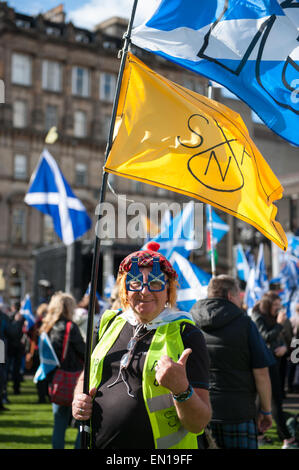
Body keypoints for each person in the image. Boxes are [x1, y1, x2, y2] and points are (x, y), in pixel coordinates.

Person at [72, 242, 211, 449]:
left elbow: (199, 422)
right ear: (125, 290)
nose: (144, 291)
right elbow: (87, 373)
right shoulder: (108, 323)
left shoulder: (187, 334)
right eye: (135, 283)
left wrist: (181, 389)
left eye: (155, 283)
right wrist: (78, 400)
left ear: (169, 290)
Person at [190, 275, 273, 449]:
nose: (240, 300)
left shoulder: (189, 321)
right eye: (238, 295)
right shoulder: (245, 323)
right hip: (238, 412)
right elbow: (262, 373)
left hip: (199, 409)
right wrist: (266, 410)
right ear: (229, 296)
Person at [252, 291, 299, 449]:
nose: (279, 308)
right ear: (268, 305)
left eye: (280, 305)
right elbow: (264, 337)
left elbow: (286, 338)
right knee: (273, 401)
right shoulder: (257, 316)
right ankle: (286, 438)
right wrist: (279, 324)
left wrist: (285, 347)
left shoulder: (277, 318)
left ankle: (260, 434)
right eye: (276, 305)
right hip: (264, 365)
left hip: (275, 362)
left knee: (266, 401)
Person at [39, 291, 85, 449]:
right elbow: (84, 351)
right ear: (69, 307)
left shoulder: (47, 327)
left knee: (59, 424)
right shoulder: (70, 327)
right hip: (74, 379)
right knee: (82, 423)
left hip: (56, 379)